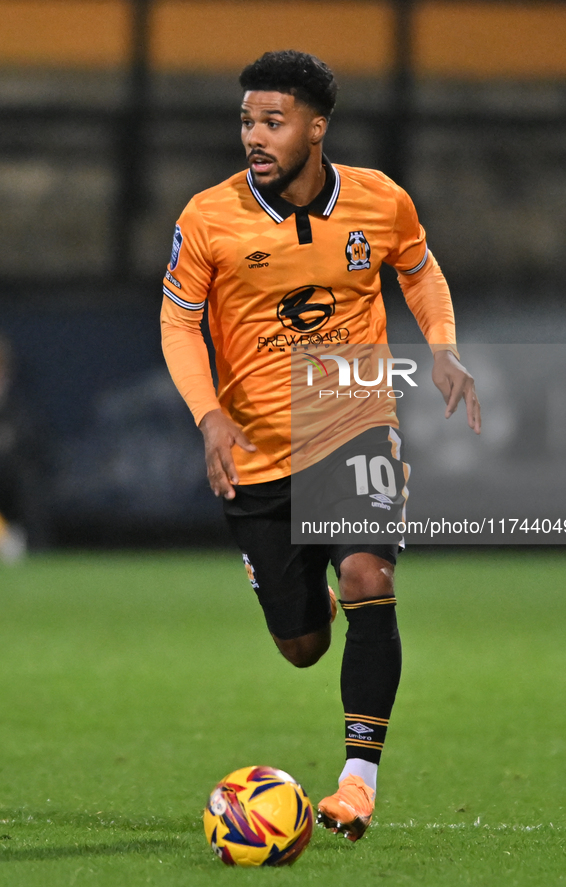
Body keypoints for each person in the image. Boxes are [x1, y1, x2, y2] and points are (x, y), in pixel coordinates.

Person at [161, 50, 481, 842]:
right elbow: (177, 321)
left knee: (370, 574)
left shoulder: (378, 199)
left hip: (351, 419)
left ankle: (356, 783)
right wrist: (209, 417)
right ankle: (298, 579)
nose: (254, 136)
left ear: (315, 126)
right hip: (258, 452)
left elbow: (419, 265)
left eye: (272, 121)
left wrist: (440, 344)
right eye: (246, 120)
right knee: (303, 643)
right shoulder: (207, 218)